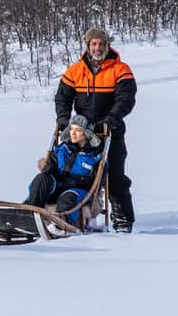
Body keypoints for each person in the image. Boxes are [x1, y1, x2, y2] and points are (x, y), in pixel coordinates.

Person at [55, 27, 136, 232]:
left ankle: (123, 220)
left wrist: (110, 119)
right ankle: (63, 211)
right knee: (69, 173)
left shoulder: (120, 69)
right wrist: (64, 119)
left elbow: (125, 99)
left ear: (107, 45)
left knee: (115, 178)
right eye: (93, 44)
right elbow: (62, 98)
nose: (97, 47)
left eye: (101, 44)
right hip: (80, 133)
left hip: (110, 131)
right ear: (87, 46)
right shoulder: (75, 70)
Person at [24, 115, 103, 226]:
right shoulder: (62, 149)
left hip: (78, 190)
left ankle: (61, 222)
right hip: (58, 186)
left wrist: (79, 181)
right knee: (41, 179)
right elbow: (51, 167)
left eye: (78, 130)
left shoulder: (94, 156)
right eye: (71, 129)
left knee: (68, 198)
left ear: (86, 133)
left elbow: (97, 183)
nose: (73, 133)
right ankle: (29, 213)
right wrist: (48, 168)